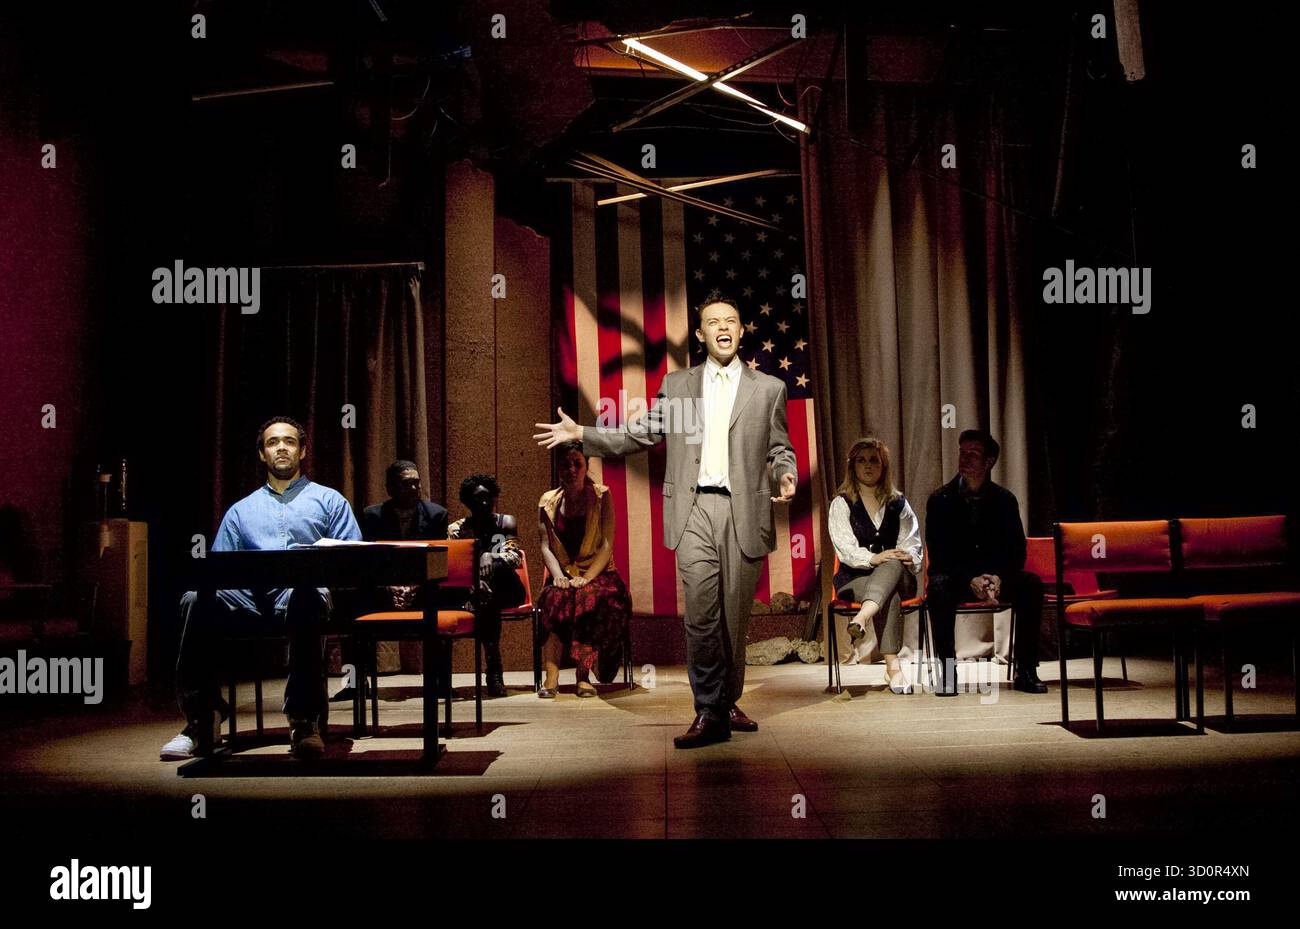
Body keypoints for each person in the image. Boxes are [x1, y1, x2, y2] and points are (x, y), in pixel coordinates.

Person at [535, 296, 797, 748]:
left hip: (743, 513)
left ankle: (726, 700)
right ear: (699, 334)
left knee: (732, 618)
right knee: (701, 615)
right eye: (712, 321)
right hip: (693, 511)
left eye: (730, 321)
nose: (722, 327)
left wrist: (785, 473)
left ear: (741, 331)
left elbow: (779, 447)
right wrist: (583, 433)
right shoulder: (678, 386)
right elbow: (641, 432)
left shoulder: (768, 389)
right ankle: (707, 710)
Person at [160, 416, 362, 761]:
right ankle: (202, 719)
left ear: (302, 451)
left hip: (303, 596)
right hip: (250, 598)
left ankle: (303, 719)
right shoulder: (241, 510)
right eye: (272, 443)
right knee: (196, 599)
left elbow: (351, 559)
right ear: (261, 454)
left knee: (306, 596)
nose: (281, 447)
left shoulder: (330, 501)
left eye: (289, 441)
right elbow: (221, 569)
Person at [924, 429, 1047, 696]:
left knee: (1031, 585)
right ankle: (946, 673)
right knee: (938, 588)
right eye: (962, 452)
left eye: (973, 454)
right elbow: (939, 553)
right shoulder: (940, 500)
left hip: (996, 577)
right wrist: (970, 578)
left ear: (989, 462)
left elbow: (1016, 550)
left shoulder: (1005, 500)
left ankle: (1026, 670)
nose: (965, 459)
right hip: (958, 577)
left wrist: (999, 577)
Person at [535, 440, 632, 698]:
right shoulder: (548, 501)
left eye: (577, 463)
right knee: (553, 599)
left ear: (586, 466)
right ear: (558, 470)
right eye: (565, 465)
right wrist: (557, 576)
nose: (571, 469)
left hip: (599, 574)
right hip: (564, 573)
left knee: (588, 598)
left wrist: (586, 578)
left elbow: (607, 545)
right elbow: (545, 546)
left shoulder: (602, 495)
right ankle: (551, 675)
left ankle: (583, 673)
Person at [829, 437, 923, 693]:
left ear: (883, 466)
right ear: (853, 467)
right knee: (887, 589)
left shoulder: (898, 502)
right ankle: (893, 668)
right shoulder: (841, 503)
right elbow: (844, 548)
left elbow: (913, 543)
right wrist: (873, 558)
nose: (868, 466)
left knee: (891, 564)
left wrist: (907, 556)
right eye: (862, 461)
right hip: (855, 578)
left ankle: (862, 618)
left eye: (874, 460)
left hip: (900, 576)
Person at [352, 459, 449, 689]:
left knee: (443, 600)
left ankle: (440, 682)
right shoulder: (372, 516)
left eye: (417, 483)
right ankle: (354, 683)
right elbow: (367, 561)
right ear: (391, 488)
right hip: (383, 588)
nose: (415, 489)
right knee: (354, 603)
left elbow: (437, 561)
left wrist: (414, 585)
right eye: (407, 484)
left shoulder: (436, 515)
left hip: (423, 587)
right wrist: (390, 586)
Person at [448, 473, 526, 698]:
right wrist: (475, 580)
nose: (483, 503)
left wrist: (489, 557)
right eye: (477, 498)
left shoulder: (505, 522)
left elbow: (514, 557)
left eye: (487, 497)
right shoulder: (457, 529)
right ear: (466, 502)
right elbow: (454, 564)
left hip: (507, 588)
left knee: (492, 585)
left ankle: (493, 669)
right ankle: (494, 668)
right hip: (475, 590)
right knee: (485, 602)